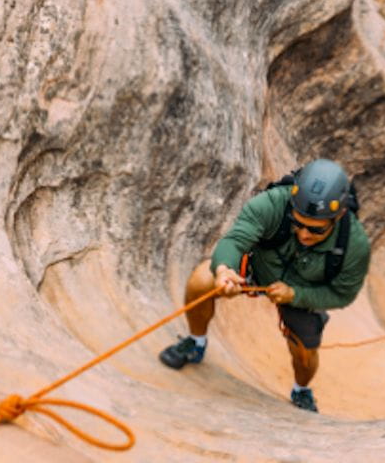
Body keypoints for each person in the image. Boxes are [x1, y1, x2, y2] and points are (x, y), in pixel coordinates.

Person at [158, 159, 371, 413]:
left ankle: (301, 390)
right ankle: (195, 343)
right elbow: (236, 239)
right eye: (297, 223)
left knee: (305, 353)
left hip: (302, 291)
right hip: (258, 268)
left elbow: (342, 294)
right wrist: (225, 270)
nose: (304, 234)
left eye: (316, 230)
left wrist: (296, 295)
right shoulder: (273, 203)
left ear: (339, 215)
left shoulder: (354, 244)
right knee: (201, 280)